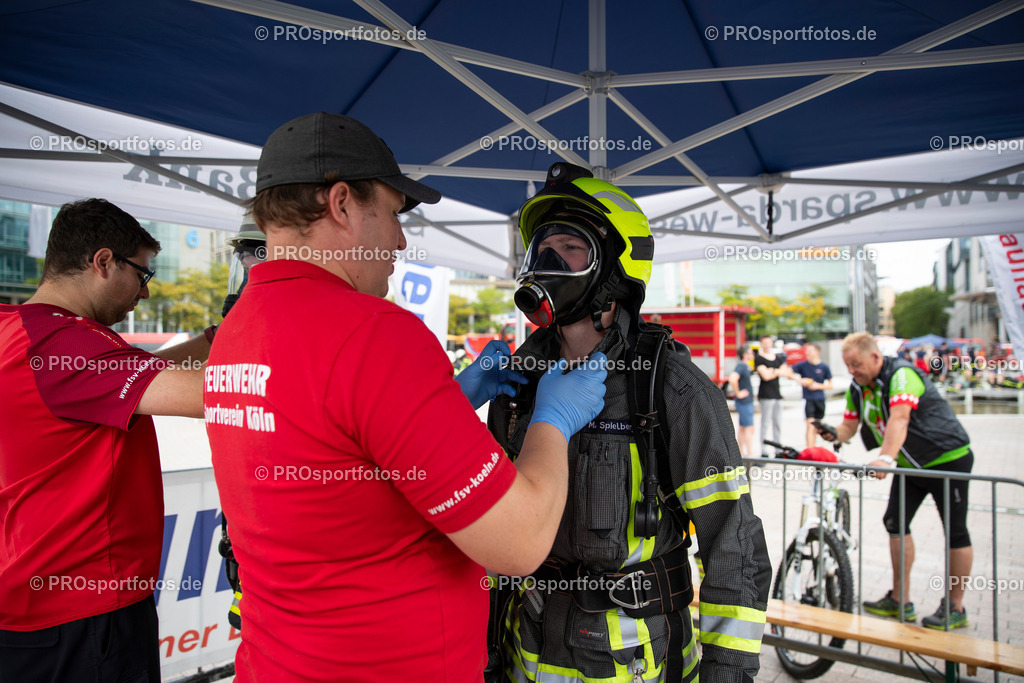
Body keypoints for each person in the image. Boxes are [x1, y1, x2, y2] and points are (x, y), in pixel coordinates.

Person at [204, 112, 609, 682]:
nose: (398, 240)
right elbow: (518, 544)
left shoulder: (240, 328)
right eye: (394, 215)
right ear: (342, 204)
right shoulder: (372, 332)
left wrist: (450, 396)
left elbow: (342, 432)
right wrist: (554, 419)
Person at [486, 162, 770, 682]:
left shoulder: (671, 389)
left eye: (569, 248)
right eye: (540, 247)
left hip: (632, 662)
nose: (547, 259)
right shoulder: (517, 385)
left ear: (614, 273)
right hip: (524, 653)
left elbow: (734, 546)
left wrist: (728, 672)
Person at [0, 198, 213, 682]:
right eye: (142, 275)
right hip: (85, 607)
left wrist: (218, 337)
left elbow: (141, 372)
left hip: (34, 593)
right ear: (102, 262)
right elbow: (214, 395)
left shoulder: (20, 329)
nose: (142, 294)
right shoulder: (65, 345)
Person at [819, 332, 973, 630]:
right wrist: (832, 433)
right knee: (894, 521)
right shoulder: (858, 386)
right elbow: (850, 425)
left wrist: (886, 459)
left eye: (856, 364)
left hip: (946, 459)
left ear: (875, 357)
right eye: (847, 365)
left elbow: (899, 418)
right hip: (911, 465)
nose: (852, 370)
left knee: (955, 532)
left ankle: (956, 607)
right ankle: (900, 599)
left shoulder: (901, 374)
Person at [754, 334, 793, 457]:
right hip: (766, 394)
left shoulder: (777, 357)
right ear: (761, 344)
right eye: (764, 342)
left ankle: (778, 450)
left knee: (777, 423)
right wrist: (776, 371)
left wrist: (772, 371)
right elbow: (765, 376)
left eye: (769, 342)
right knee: (765, 423)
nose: (767, 345)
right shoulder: (759, 358)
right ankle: (764, 450)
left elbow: (786, 372)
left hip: (777, 394)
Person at [792, 342, 833, 449]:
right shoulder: (802, 365)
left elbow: (830, 385)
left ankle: (814, 450)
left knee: (817, 427)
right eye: (807, 351)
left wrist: (817, 386)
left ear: (817, 352)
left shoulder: (824, 366)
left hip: (820, 399)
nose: (808, 353)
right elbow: (788, 372)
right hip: (808, 399)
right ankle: (810, 450)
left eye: (810, 351)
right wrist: (800, 380)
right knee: (810, 426)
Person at [728, 344, 756, 457]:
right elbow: (732, 378)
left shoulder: (744, 366)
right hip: (745, 402)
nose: (752, 354)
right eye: (750, 352)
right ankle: (750, 455)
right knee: (750, 428)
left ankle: (741, 452)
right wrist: (738, 393)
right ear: (745, 355)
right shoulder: (741, 366)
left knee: (743, 428)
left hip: (745, 402)